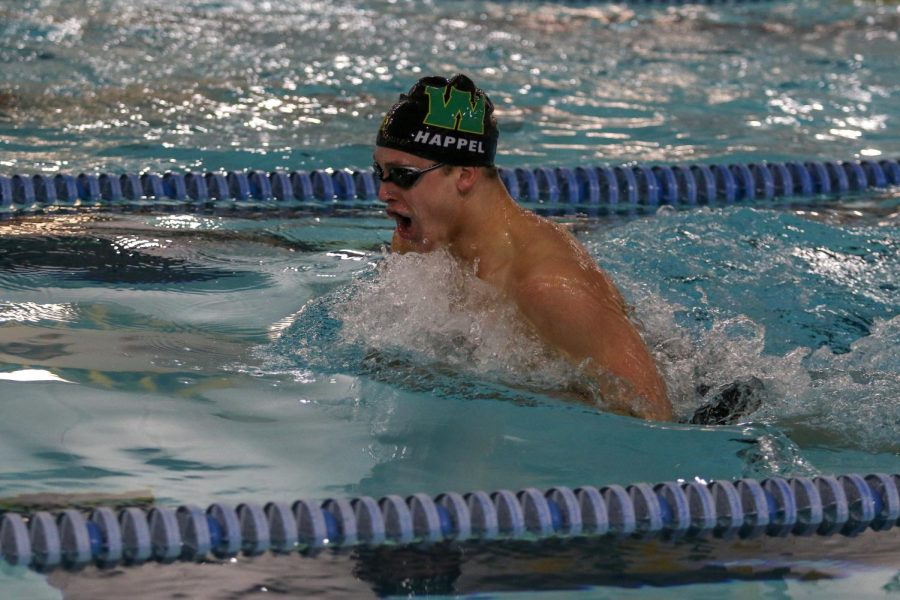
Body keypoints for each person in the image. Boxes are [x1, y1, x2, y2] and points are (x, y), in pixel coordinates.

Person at [372, 73, 674, 422]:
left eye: (403, 175)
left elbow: (652, 413)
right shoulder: (421, 242)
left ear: (464, 175)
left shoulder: (545, 285)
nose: (384, 192)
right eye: (378, 171)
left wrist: (487, 390)